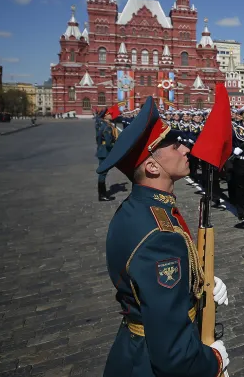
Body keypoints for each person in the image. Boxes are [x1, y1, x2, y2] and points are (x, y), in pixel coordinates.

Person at [98, 96, 230, 377]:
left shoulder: (142, 207)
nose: (185, 148)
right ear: (153, 167)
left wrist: (197, 283)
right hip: (150, 361)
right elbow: (174, 355)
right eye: (172, 144)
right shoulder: (159, 234)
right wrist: (212, 361)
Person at [96, 105, 120, 202]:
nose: (111, 115)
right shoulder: (107, 127)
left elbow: (98, 139)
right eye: (109, 114)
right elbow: (109, 143)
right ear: (105, 116)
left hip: (102, 150)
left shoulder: (104, 125)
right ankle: (102, 195)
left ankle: (102, 194)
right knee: (103, 173)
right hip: (105, 152)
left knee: (103, 172)